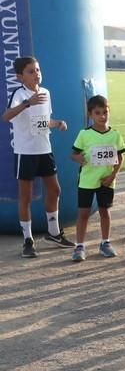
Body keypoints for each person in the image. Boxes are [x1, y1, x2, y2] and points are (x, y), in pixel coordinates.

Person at [2, 56, 74, 258]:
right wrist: (27, 103)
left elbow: (43, 120)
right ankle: (28, 240)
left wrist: (57, 122)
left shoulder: (46, 92)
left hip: (44, 150)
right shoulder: (19, 94)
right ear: (20, 76)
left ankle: (53, 233)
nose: (37, 74)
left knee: (55, 189)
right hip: (25, 153)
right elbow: (6, 116)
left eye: (38, 70)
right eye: (31, 71)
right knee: (25, 196)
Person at [70, 95, 125, 261]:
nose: (102, 116)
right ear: (90, 115)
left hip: (107, 181)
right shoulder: (84, 134)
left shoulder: (115, 135)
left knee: (105, 212)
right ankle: (79, 246)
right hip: (87, 181)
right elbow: (73, 154)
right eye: (98, 113)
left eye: (105, 112)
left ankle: (105, 243)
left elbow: (120, 158)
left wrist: (112, 175)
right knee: (84, 213)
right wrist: (78, 158)